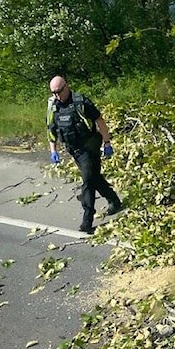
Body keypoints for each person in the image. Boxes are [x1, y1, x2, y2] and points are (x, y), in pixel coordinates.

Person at [46, 76, 123, 234]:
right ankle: (114, 200)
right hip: (75, 150)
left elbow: (99, 120)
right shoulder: (53, 107)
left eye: (59, 92)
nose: (57, 96)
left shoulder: (81, 102)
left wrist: (107, 143)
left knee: (87, 180)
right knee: (94, 177)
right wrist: (53, 150)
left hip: (90, 146)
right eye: (54, 93)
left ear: (66, 87)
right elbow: (51, 129)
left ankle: (87, 219)